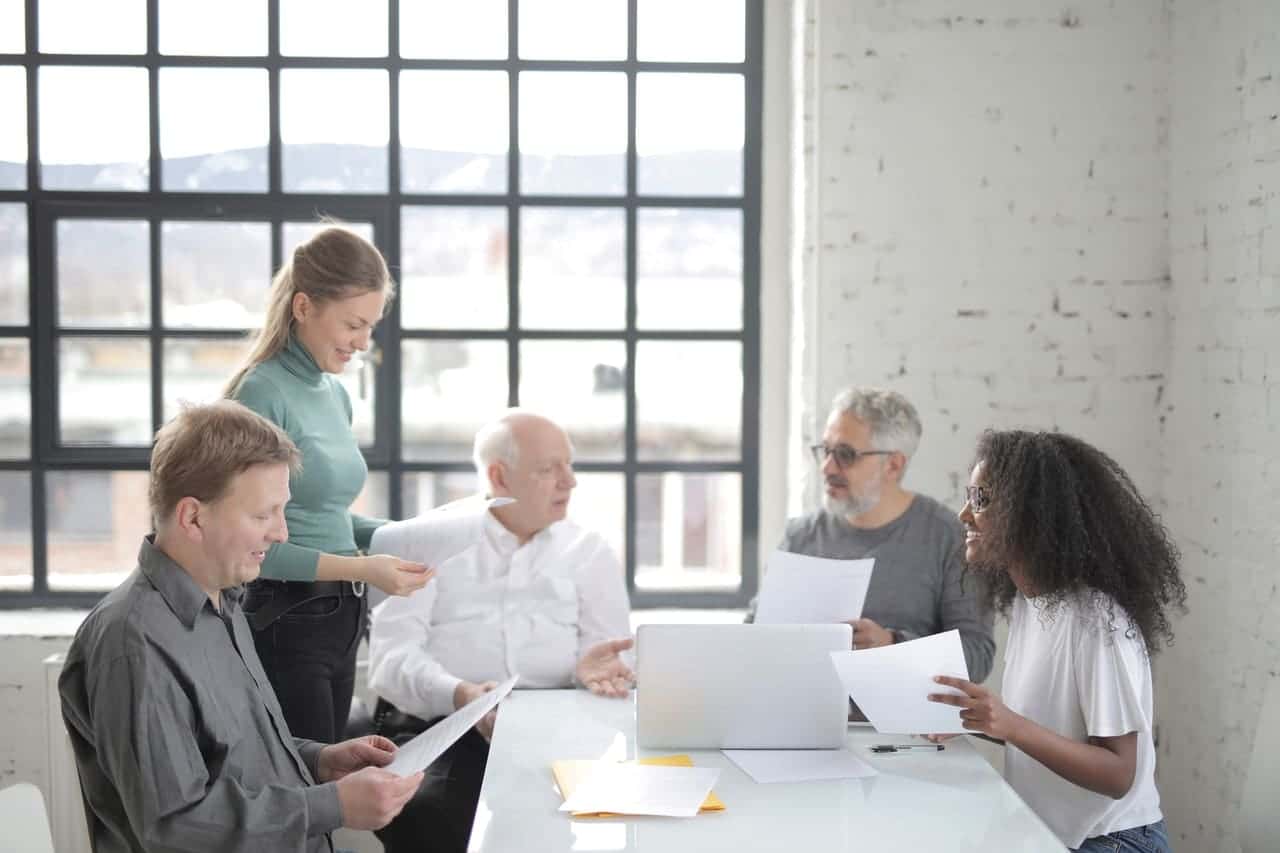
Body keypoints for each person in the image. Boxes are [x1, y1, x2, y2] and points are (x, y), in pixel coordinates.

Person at [58, 401, 424, 852]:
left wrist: (318, 760)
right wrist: (331, 807)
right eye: (262, 515)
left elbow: (229, 754)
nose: (282, 533)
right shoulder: (133, 642)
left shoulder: (225, 601)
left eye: (282, 511)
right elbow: (175, 827)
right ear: (193, 517)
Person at [368, 409, 634, 853]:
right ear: (499, 476)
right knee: (426, 814)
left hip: (556, 730)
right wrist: (462, 695)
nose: (570, 482)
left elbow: (608, 656)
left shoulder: (589, 552)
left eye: (569, 465)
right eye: (549, 469)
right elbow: (390, 662)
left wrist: (588, 670)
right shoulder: (428, 541)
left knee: (588, 819)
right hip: (445, 727)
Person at [928, 430, 1186, 853]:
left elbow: (1119, 773)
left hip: (1113, 842)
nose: (964, 516)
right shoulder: (1032, 604)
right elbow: (1047, 732)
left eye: (980, 499)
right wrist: (975, 719)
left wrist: (1009, 724)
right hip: (1055, 835)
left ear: (1029, 515)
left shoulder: (1097, 621)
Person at [224, 225, 432, 744]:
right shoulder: (261, 393)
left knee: (331, 790)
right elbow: (255, 549)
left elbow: (327, 518)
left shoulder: (333, 394)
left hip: (340, 619)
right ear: (303, 308)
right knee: (309, 797)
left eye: (371, 327)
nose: (364, 343)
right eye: (353, 324)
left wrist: (406, 535)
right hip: (287, 620)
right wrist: (365, 566)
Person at [755, 386, 994, 686]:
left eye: (845, 454)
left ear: (893, 465)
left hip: (908, 728)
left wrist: (892, 644)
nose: (827, 466)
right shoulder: (800, 537)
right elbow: (751, 634)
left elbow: (977, 655)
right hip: (802, 719)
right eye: (826, 450)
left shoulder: (949, 537)